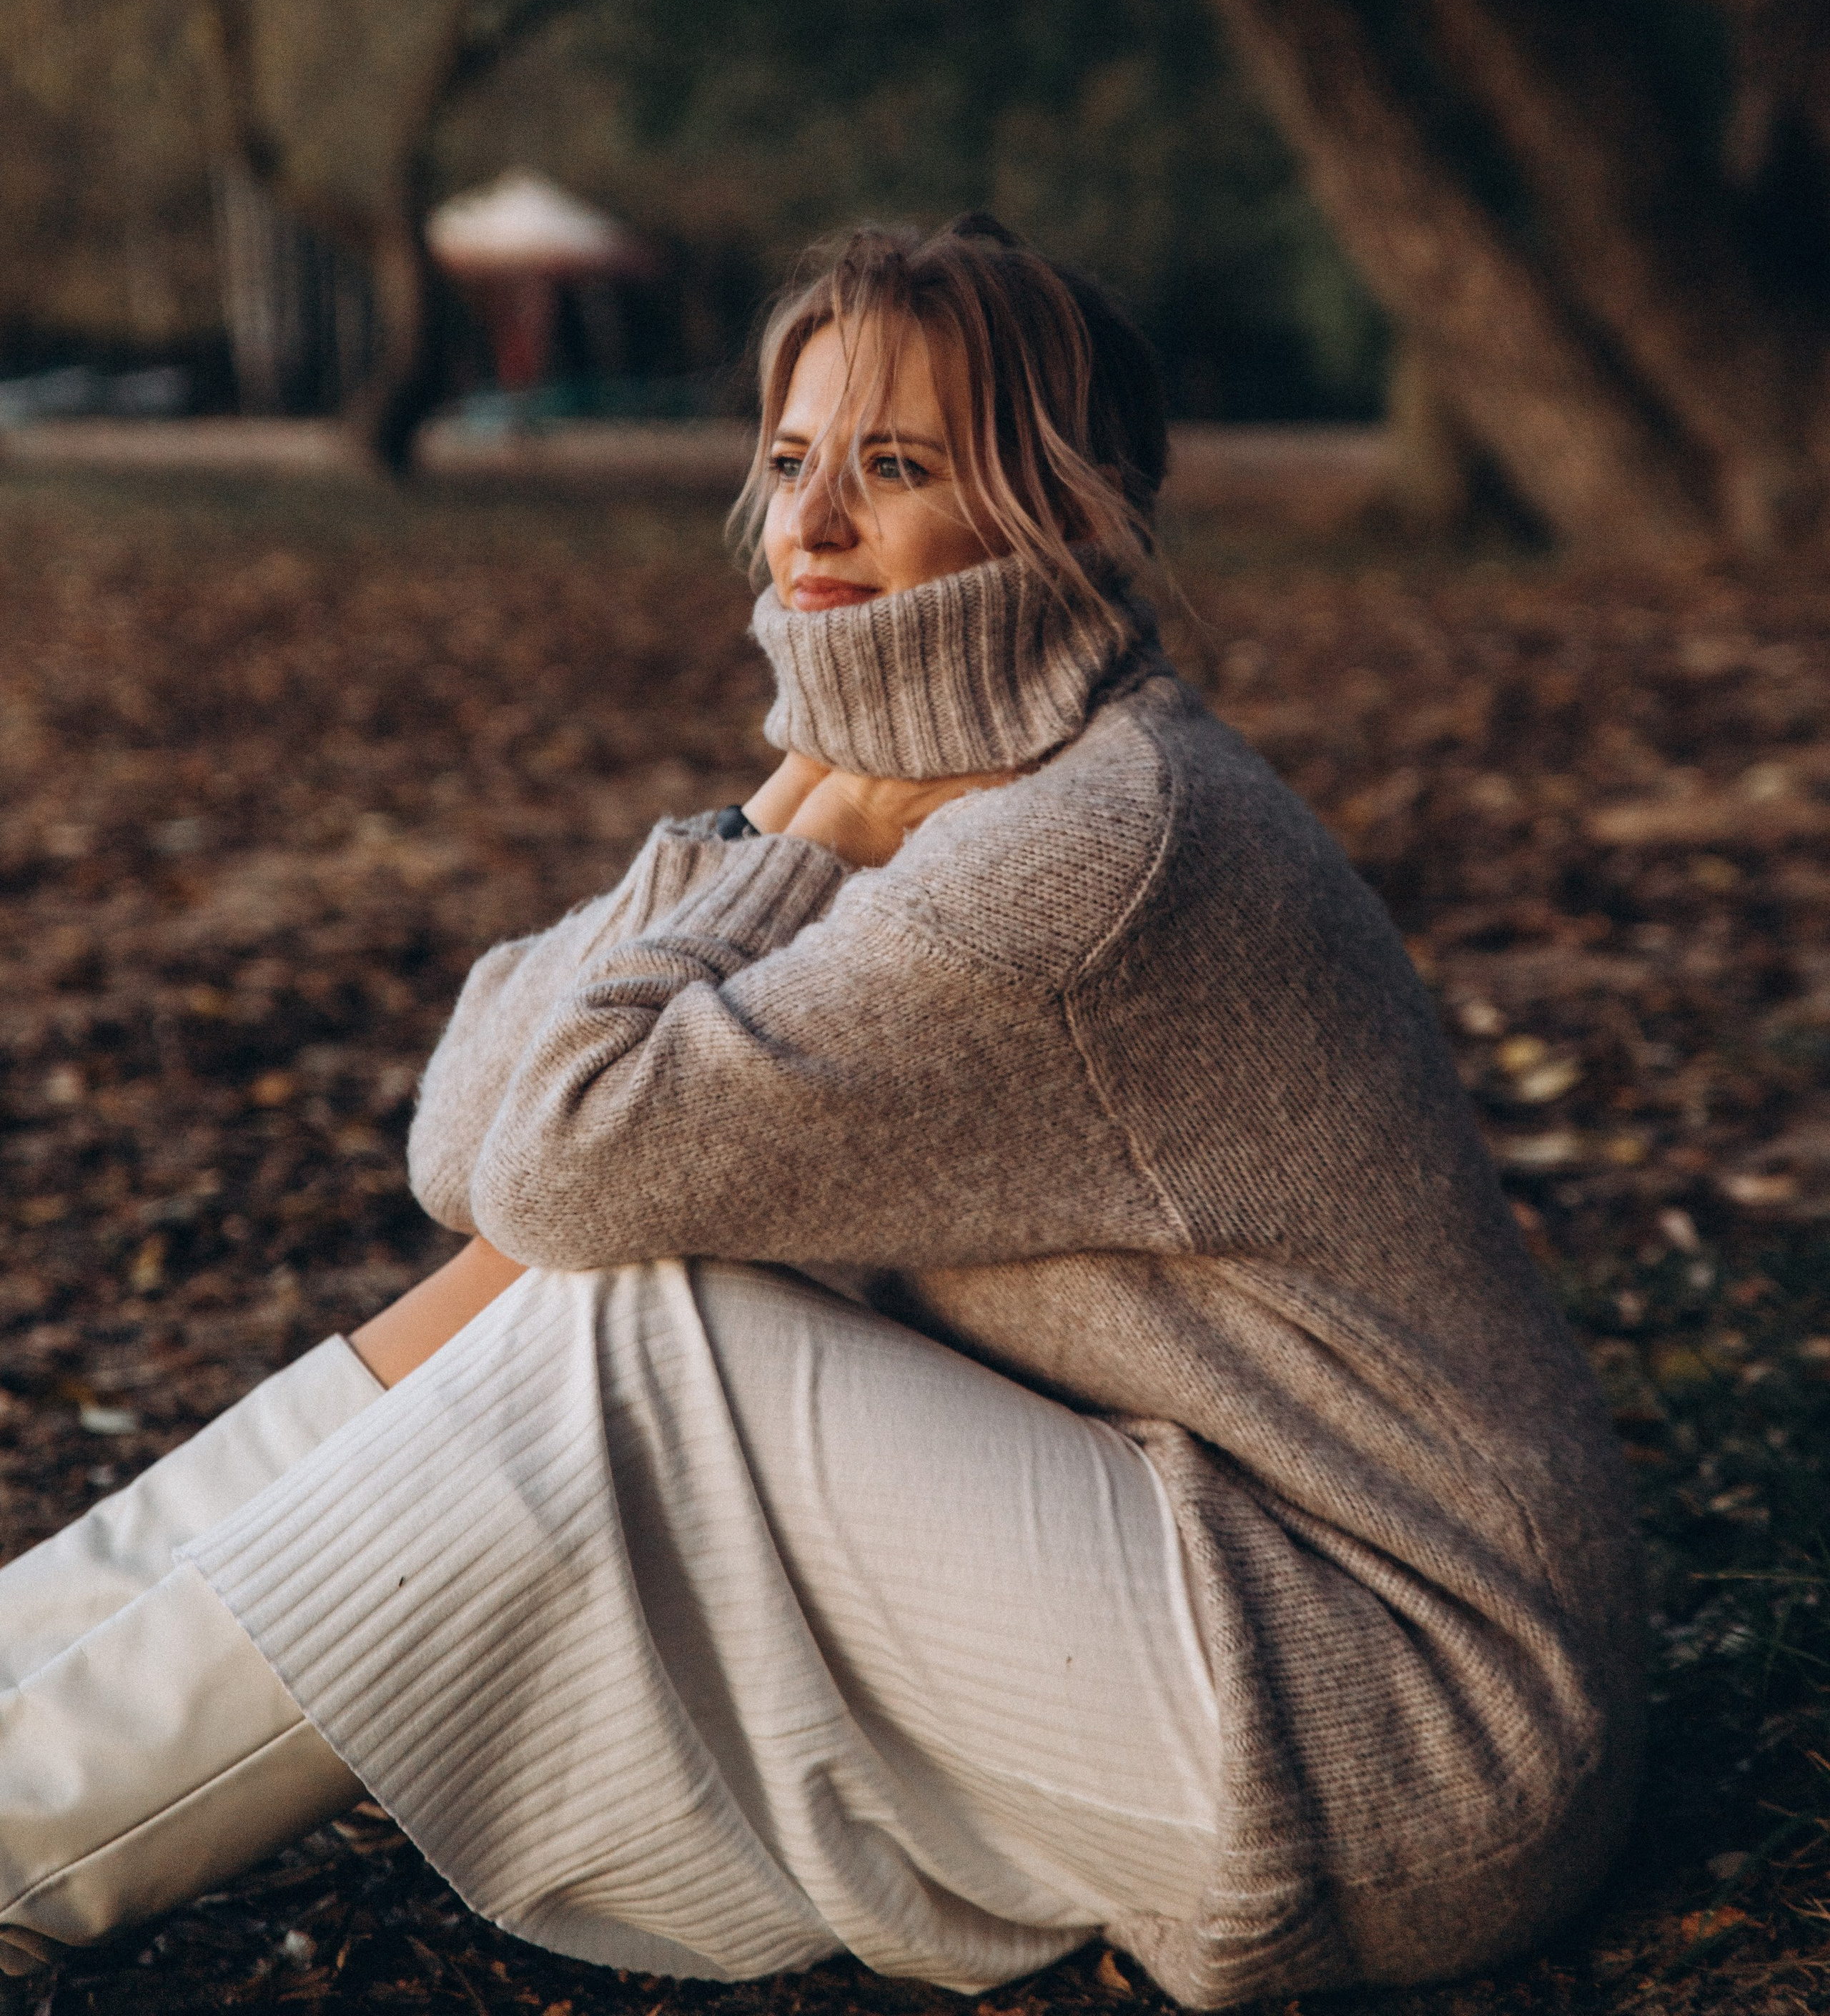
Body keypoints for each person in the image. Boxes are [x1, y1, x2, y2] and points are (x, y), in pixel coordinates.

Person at [0, 217, 1641, 2007]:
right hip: (1224, 1585)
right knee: (601, 1276)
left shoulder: (1092, 850)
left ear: (1065, 513)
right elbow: (464, 1136)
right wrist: (780, 830)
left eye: (899, 466)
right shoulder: (933, 790)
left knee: (635, 1320)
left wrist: (783, 845)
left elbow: (550, 1154)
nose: (815, 522)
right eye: (792, 460)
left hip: (1409, 1722)